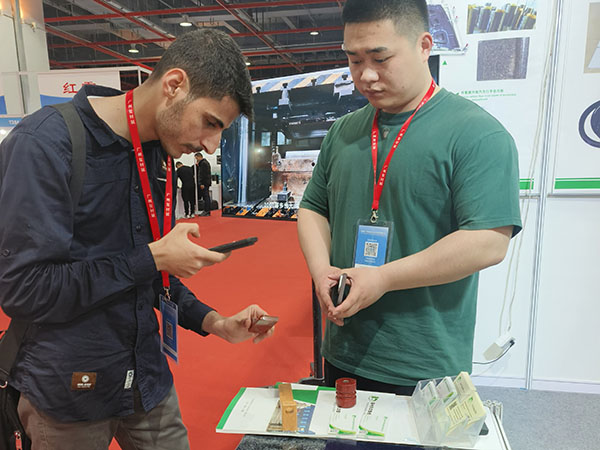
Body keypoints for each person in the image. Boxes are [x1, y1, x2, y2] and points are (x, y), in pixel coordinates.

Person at [0, 29, 273, 449]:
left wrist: (214, 322)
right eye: (210, 123)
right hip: (69, 394)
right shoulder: (45, 144)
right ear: (174, 85)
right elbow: (26, 290)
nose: (210, 145)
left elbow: (153, 273)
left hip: (146, 380)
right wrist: (152, 257)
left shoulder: (158, 154)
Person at [297, 0, 522, 396]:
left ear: (424, 46)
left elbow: (488, 241)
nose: (366, 75)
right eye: (353, 60)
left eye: (381, 58)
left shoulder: (477, 133)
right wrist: (321, 270)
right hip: (343, 350)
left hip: (424, 363)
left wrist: (384, 278)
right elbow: (314, 208)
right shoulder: (344, 132)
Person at [195, 151, 212, 216]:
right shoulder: (205, 163)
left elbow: (202, 174)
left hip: (204, 183)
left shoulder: (203, 164)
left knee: (206, 197)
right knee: (206, 196)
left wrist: (201, 183)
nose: (196, 160)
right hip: (206, 182)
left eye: (196, 158)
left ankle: (206, 210)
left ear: (199, 157)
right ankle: (207, 210)